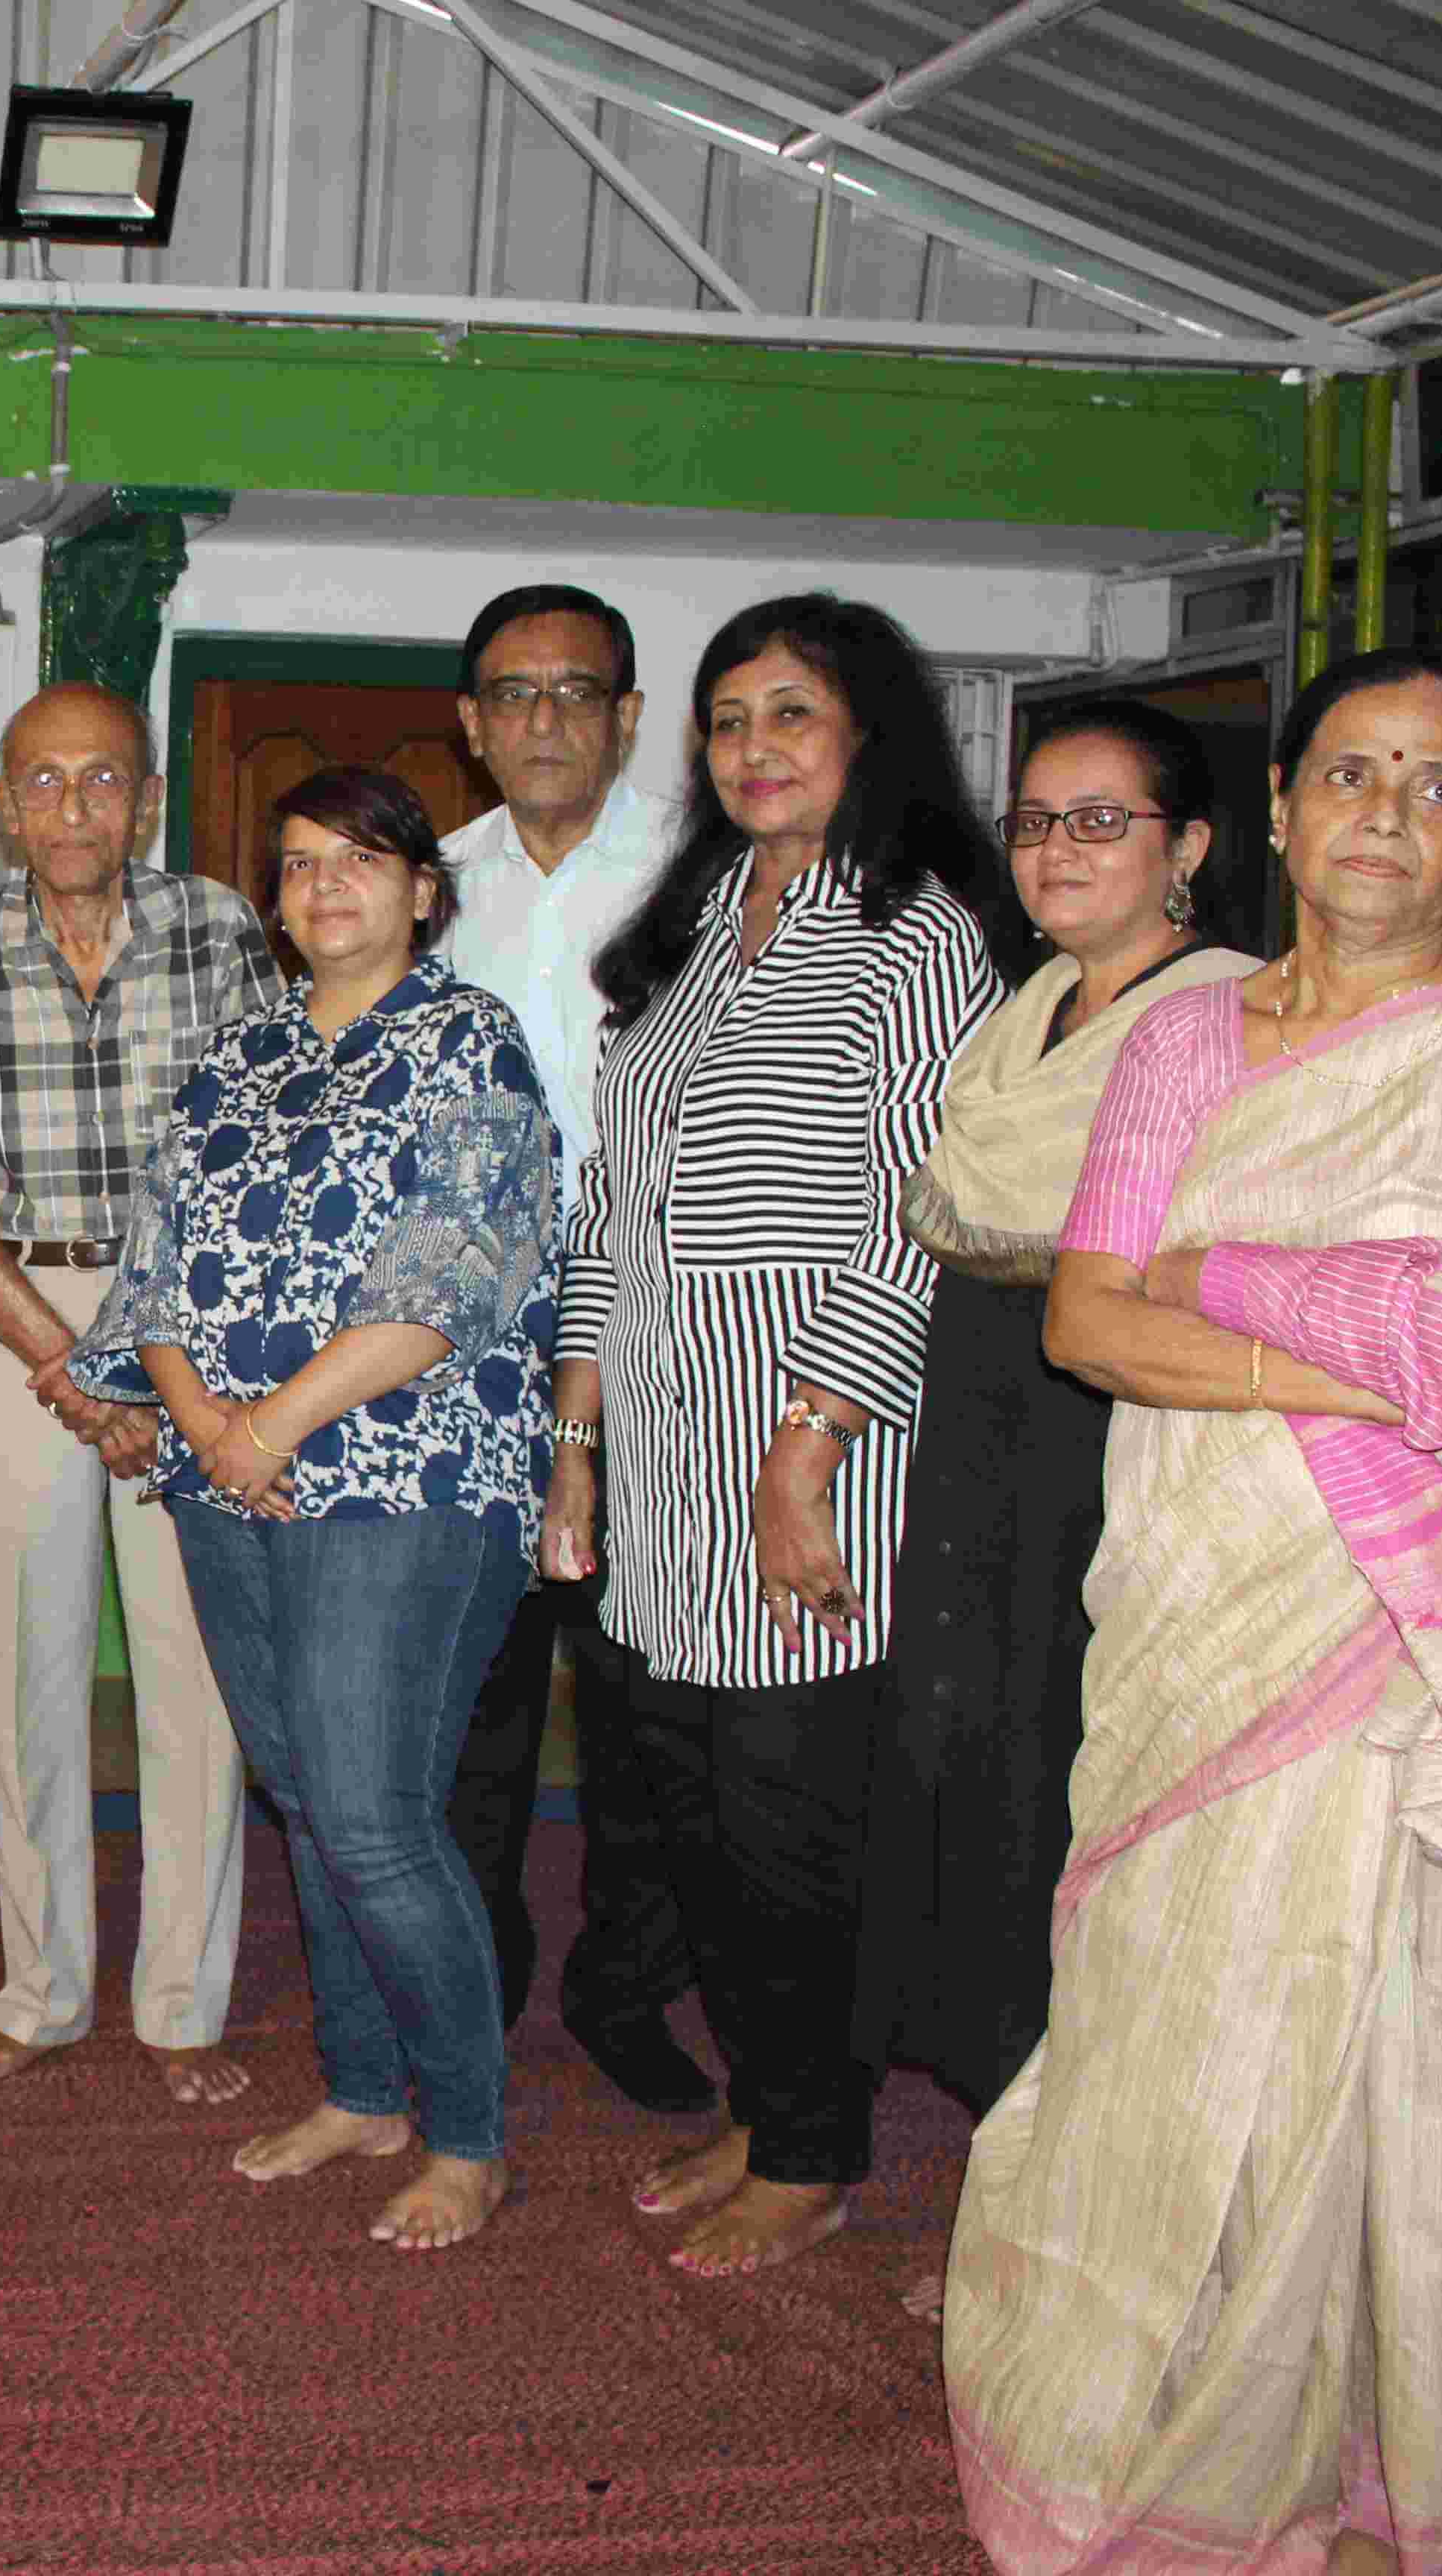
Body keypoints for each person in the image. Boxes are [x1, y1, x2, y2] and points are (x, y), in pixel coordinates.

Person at [946, 647, 1442, 2575]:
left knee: (1415, 2079)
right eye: (1353, 774)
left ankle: (1388, 2487)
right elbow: (1090, 1319)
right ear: (1277, 807)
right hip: (1202, 1606)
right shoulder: (1185, 1041)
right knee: (1178, 2031)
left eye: (1438, 786)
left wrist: (1229, 1275)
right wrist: (1381, 1357)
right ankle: (1180, 2455)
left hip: (1434, 1638)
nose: (1389, 818)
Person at [548, 592, 1014, 2278]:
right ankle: (768, 2101)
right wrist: (576, 1431)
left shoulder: (920, 936)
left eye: (792, 715)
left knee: (792, 1829)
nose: (755, 749)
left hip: (811, 1460)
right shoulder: (684, 938)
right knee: (689, 1818)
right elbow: (613, 1205)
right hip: (661, 1463)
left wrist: (807, 1451)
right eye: (730, 719)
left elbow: (919, 1212)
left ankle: (814, 2147)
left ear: (868, 734)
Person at [71, 766, 556, 2250]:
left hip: (405, 1480)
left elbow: (452, 1274)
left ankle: (466, 2133)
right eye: (296, 864)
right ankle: (360, 2089)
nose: (325, 886)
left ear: (424, 890)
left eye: (360, 859)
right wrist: (209, 1428)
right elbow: (155, 1267)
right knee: (308, 1801)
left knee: (372, 1812)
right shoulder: (236, 1054)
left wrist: (268, 1424)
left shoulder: (470, 1042)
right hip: (227, 1481)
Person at [863, 704, 1254, 2317]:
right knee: (979, 1802)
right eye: (1034, 822)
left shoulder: (1231, 1015)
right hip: (984, 1446)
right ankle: (1015, 2193)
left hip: (1121, 1455)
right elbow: (967, 1223)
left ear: (1191, 847)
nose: (1057, 851)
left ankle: (1101, 2242)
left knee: (1085, 1822)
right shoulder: (1020, 1014)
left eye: (1102, 821)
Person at [0, 681, 273, 2106]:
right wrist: (72, 1370)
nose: (72, 807)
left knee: (193, 1674)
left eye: (103, 779)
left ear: (146, 800)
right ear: (4, 803)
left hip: (191, 1333)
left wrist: (149, 1361)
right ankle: (39, 1995)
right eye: (41, 781)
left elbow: (254, 1170)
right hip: (18, 1322)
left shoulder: (220, 929)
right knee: (30, 1671)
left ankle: (182, 2008)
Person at [433, 583, 707, 2117]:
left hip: (657, 1349)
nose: (544, 718)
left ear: (627, 715)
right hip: (460, 1352)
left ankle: (624, 1986)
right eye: (513, 692)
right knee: (472, 1698)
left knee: (643, 1695)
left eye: (576, 690)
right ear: (471, 722)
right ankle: (472, 1985)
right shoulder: (425, 883)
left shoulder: (706, 876)